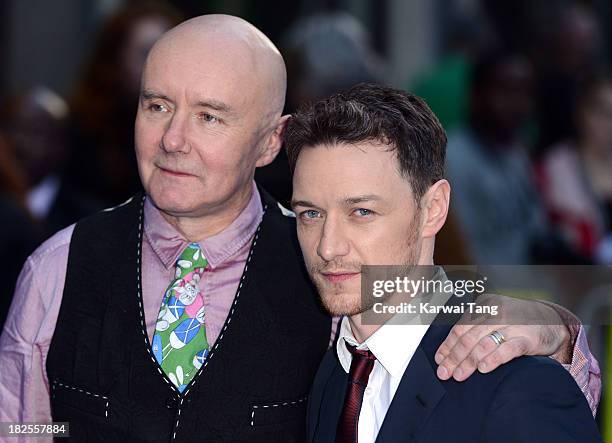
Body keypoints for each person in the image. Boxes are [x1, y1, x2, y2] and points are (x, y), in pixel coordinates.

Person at [0, 15, 600, 442]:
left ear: (270, 141)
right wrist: (65, 427)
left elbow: (458, 304)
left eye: (210, 116)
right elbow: (24, 424)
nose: (173, 140)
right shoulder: (58, 266)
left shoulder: (331, 263)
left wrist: (552, 328)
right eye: (157, 106)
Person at [286, 83, 602, 442]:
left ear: (433, 209)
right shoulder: (333, 374)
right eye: (310, 213)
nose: (328, 247)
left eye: (362, 211)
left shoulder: (517, 382)